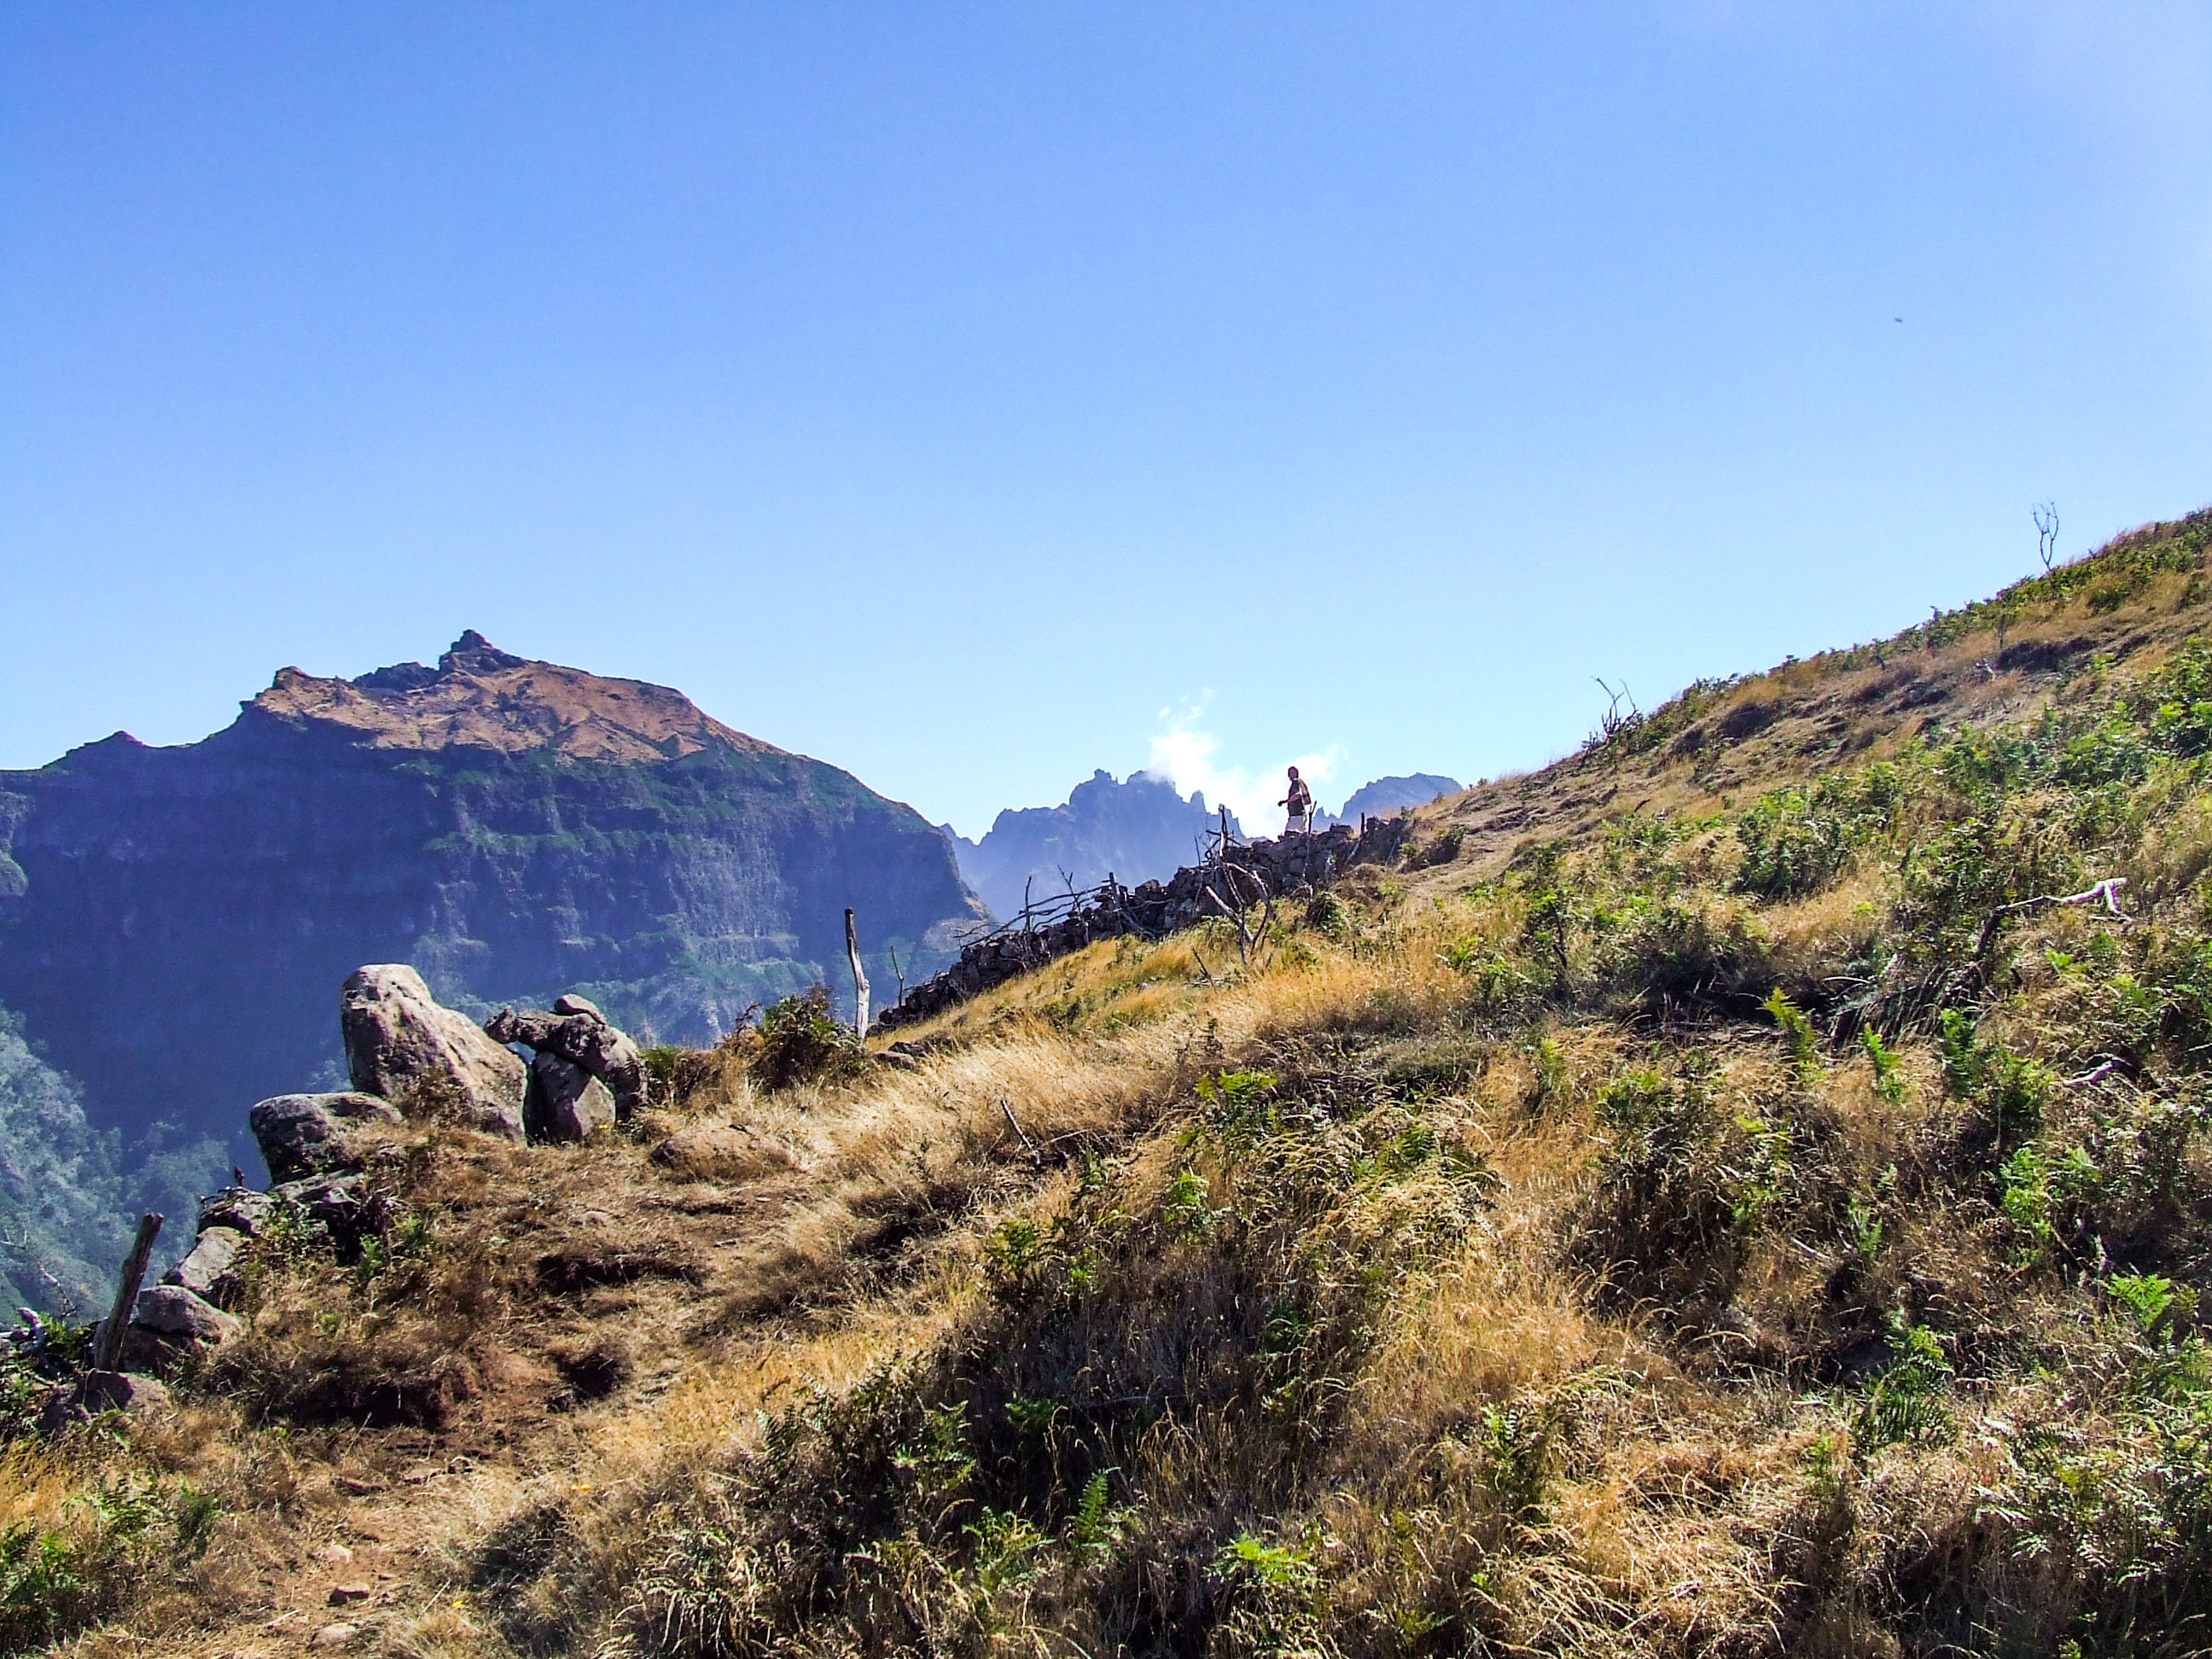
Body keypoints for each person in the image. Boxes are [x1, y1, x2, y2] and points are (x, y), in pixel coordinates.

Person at [1279, 765, 1314, 835]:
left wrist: (1286, 801)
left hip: (1296, 815)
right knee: (1302, 835)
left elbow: (1298, 795)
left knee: (1289, 834)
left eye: (1291, 773)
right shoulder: (1300, 782)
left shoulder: (1296, 782)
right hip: (1302, 815)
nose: (1289, 775)